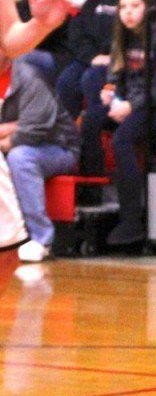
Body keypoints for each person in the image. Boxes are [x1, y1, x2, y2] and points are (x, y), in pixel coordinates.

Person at [80, 0, 156, 245]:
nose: (128, 12)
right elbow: (114, 75)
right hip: (128, 103)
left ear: (147, 8)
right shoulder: (121, 37)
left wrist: (131, 105)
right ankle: (94, 192)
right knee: (91, 119)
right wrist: (110, 92)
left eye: (135, 6)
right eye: (123, 7)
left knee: (121, 140)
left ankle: (131, 221)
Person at [0, 52, 80, 262]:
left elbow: (32, 129)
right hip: (20, 143)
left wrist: (8, 134)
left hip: (58, 147)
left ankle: (41, 239)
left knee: (20, 158)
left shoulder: (30, 79)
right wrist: (11, 128)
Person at [56, 0, 142, 121]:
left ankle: (100, 125)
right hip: (92, 57)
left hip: (124, 60)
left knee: (92, 77)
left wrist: (115, 57)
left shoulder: (144, 1)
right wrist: (92, 56)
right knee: (67, 80)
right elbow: (77, 31)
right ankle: (68, 131)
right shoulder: (97, 0)